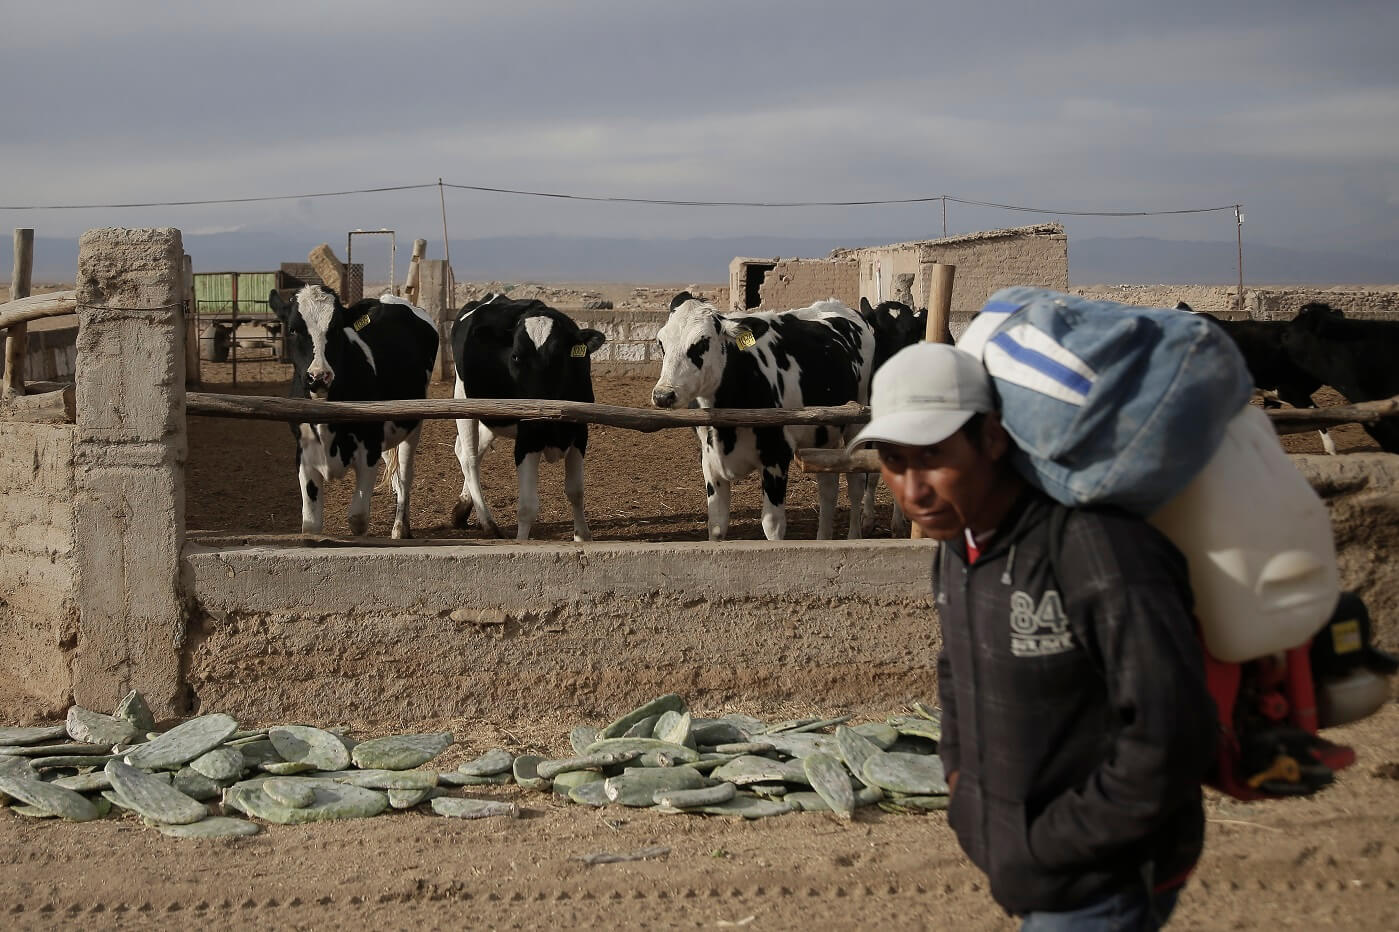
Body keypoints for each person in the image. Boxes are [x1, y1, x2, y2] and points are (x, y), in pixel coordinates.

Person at [850, 341, 1218, 930]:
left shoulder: (1091, 547)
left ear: (992, 439)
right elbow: (955, 667)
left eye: (934, 456)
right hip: (1035, 869)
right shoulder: (960, 546)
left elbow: (1172, 732)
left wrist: (1049, 845)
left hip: (1102, 880)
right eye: (894, 461)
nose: (913, 491)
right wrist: (962, 786)